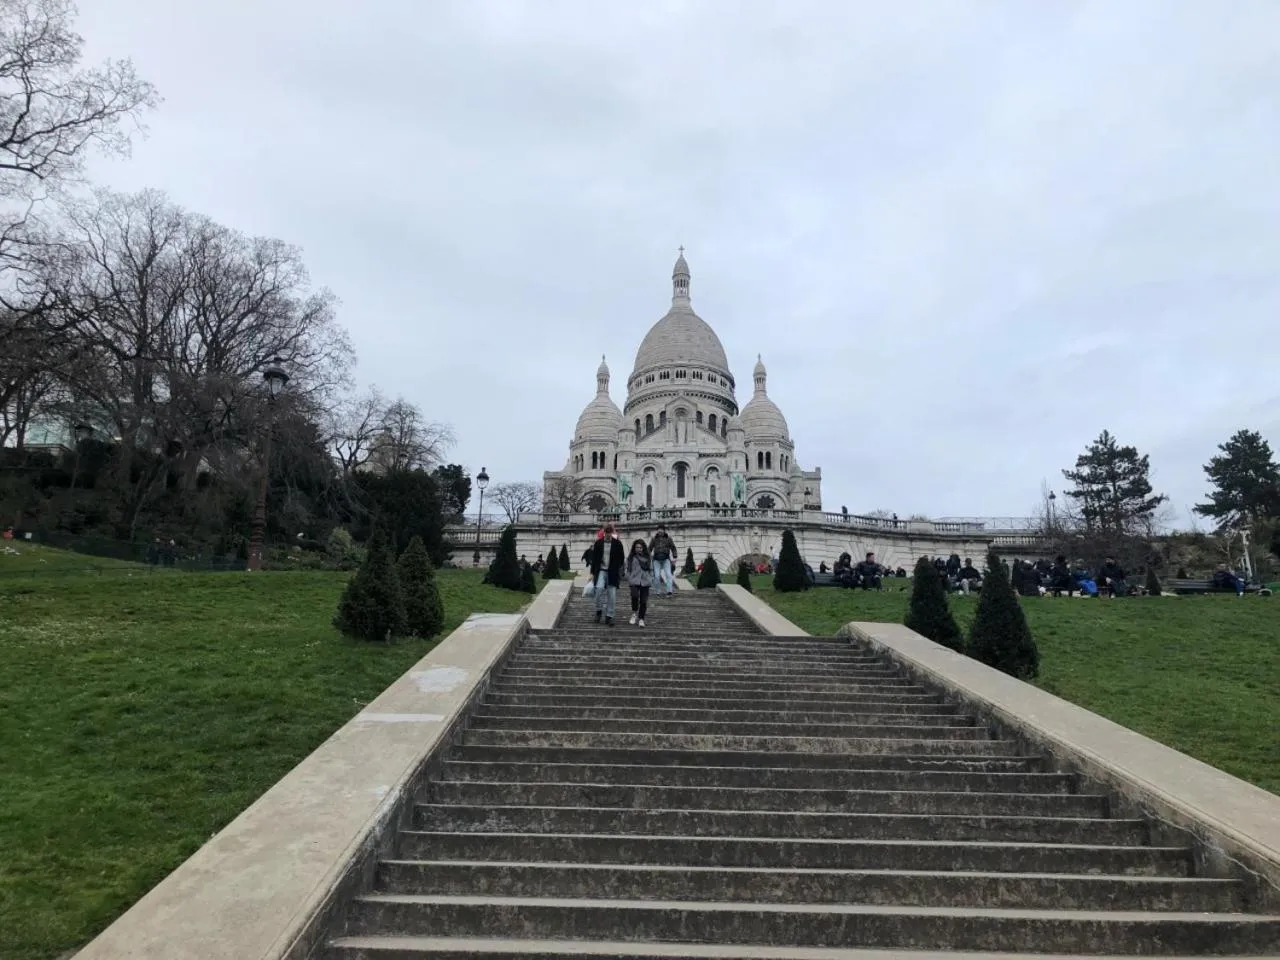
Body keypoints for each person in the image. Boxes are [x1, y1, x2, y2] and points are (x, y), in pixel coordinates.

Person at [589, 523, 625, 625]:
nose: (608, 534)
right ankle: (598, 611)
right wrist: (592, 573)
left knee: (612, 595)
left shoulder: (618, 544)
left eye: (610, 532)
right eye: (607, 532)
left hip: (612, 572)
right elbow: (594, 559)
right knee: (598, 590)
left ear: (612, 533)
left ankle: (609, 616)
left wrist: (619, 569)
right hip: (601, 570)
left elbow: (622, 558)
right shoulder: (599, 543)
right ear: (604, 532)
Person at [626, 538, 653, 626]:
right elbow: (628, 569)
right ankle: (634, 613)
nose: (639, 549)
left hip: (645, 581)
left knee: (643, 601)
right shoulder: (631, 557)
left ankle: (641, 618)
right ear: (634, 548)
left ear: (643, 548)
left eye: (640, 547)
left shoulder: (648, 557)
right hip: (634, 580)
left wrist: (651, 578)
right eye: (637, 547)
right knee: (634, 596)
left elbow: (651, 569)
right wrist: (629, 578)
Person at [648, 524, 677, 597]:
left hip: (666, 559)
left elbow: (673, 548)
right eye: (658, 530)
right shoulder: (654, 539)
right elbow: (649, 549)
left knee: (668, 575)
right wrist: (648, 557)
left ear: (664, 530)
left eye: (661, 529)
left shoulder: (668, 538)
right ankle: (657, 592)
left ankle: (669, 591)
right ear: (657, 531)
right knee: (657, 576)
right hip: (656, 560)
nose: (660, 531)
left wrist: (674, 557)